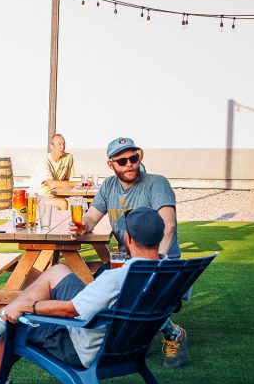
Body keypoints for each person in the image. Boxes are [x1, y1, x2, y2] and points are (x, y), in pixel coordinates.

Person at [0, 207, 167, 384]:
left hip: (87, 346)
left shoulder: (117, 277)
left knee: (15, 324)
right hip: (133, 344)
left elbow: (70, 310)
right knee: (58, 270)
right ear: (159, 237)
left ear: (128, 238)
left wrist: (26, 307)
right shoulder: (172, 270)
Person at [69, 137, 187, 368]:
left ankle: (173, 334)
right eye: (122, 161)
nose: (130, 164)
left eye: (134, 158)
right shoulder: (108, 187)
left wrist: (155, 266)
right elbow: (92, 217)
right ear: (111, 165)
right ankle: (134, 333)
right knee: (99, 285)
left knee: (129, 288)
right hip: (124, 260)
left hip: (159, 260)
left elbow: (169, 226)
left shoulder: (156, 183)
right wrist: (83, 225)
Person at [32, 133, 76, 210]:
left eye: (64, 144)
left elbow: (68, 180)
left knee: (76, 202)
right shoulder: (44, 161)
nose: (63, 147)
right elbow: (51, 184)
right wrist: (79, 183)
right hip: (37, 196)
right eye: (59, 144)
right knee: (63, 203)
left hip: (54, 195)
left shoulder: (68, 158)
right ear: (51, 147)